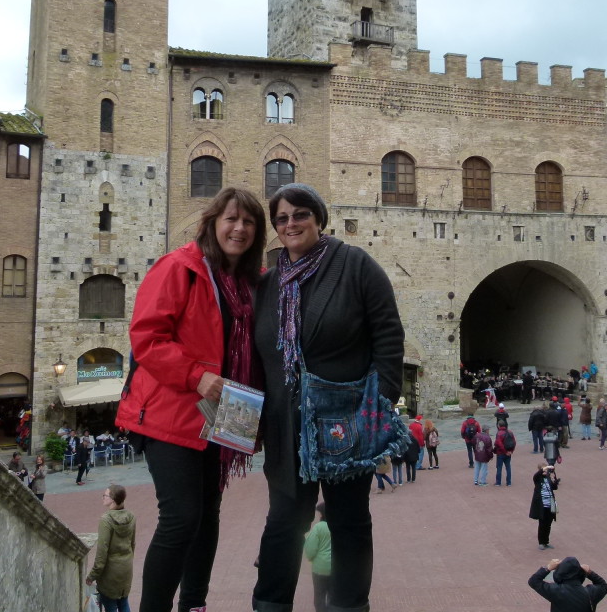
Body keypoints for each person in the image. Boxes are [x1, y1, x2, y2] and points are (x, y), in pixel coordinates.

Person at [251, 183, 405, 612]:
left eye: (300, 214)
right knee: (284, 522)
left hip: (346, 419)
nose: (291, 224)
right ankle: (270, 604)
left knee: (349, 521)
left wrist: (380, 401)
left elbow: (388, 336)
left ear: (319, 218)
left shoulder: (354, 265)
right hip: (287, 424)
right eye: (281, 218)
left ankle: (350, 605)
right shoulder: (268, 284)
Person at [116, 186, 266, 612]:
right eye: (231, 219)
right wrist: (196, 376)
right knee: (181, 518)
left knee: (207, 519)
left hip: (220, 417)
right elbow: (147, 337)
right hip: (169, 414)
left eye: (249, 222)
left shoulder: (248, 284)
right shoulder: (179, 268)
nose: (239, 229)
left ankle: (194, 604)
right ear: (212, 223)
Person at [86, 484, 137, 612]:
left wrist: (92, 576)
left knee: (110, 606)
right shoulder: (131, 516)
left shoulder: (106, 520)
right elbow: (133, 544)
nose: (103, 497)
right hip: (126, 568)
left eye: (105, 495)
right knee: (124, 602)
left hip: (110, 572)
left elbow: (102, 553)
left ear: (113, 499)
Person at [527, 556, 607, 611]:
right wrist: (590, 573)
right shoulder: (590, 593)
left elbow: (533, 581)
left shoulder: (556, 591)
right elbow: (603, 586)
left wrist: (548, 568)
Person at [303, 503, 332, 612]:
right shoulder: (339, 525)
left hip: (320, 568)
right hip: (337, 568)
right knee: (333, 598)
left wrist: (311, 558)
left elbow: (310, 548)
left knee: (319, 598)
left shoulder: (319, 527)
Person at [530, 462, 560, 550]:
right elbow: (537, 474)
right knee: (542, 524)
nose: (545, 472)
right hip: (541, 505)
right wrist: (546, 467)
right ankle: (541, 542)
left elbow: (554, 487)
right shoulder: (537, 478)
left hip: (550, 505)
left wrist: (555, 480)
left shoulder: (547, 478)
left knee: (548, 524)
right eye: (544, 470)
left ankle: (546, 542)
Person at [494, 420, 514, 486]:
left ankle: (498, 482)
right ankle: (509, 483)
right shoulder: (510, 432)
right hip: (509, 452)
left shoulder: (499, 433)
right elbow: (514, 442)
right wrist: (511, 451)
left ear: (498, 425)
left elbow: (499, 444)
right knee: (508, 467)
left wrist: (505, 451)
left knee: (499, 467)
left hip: (500, 453)